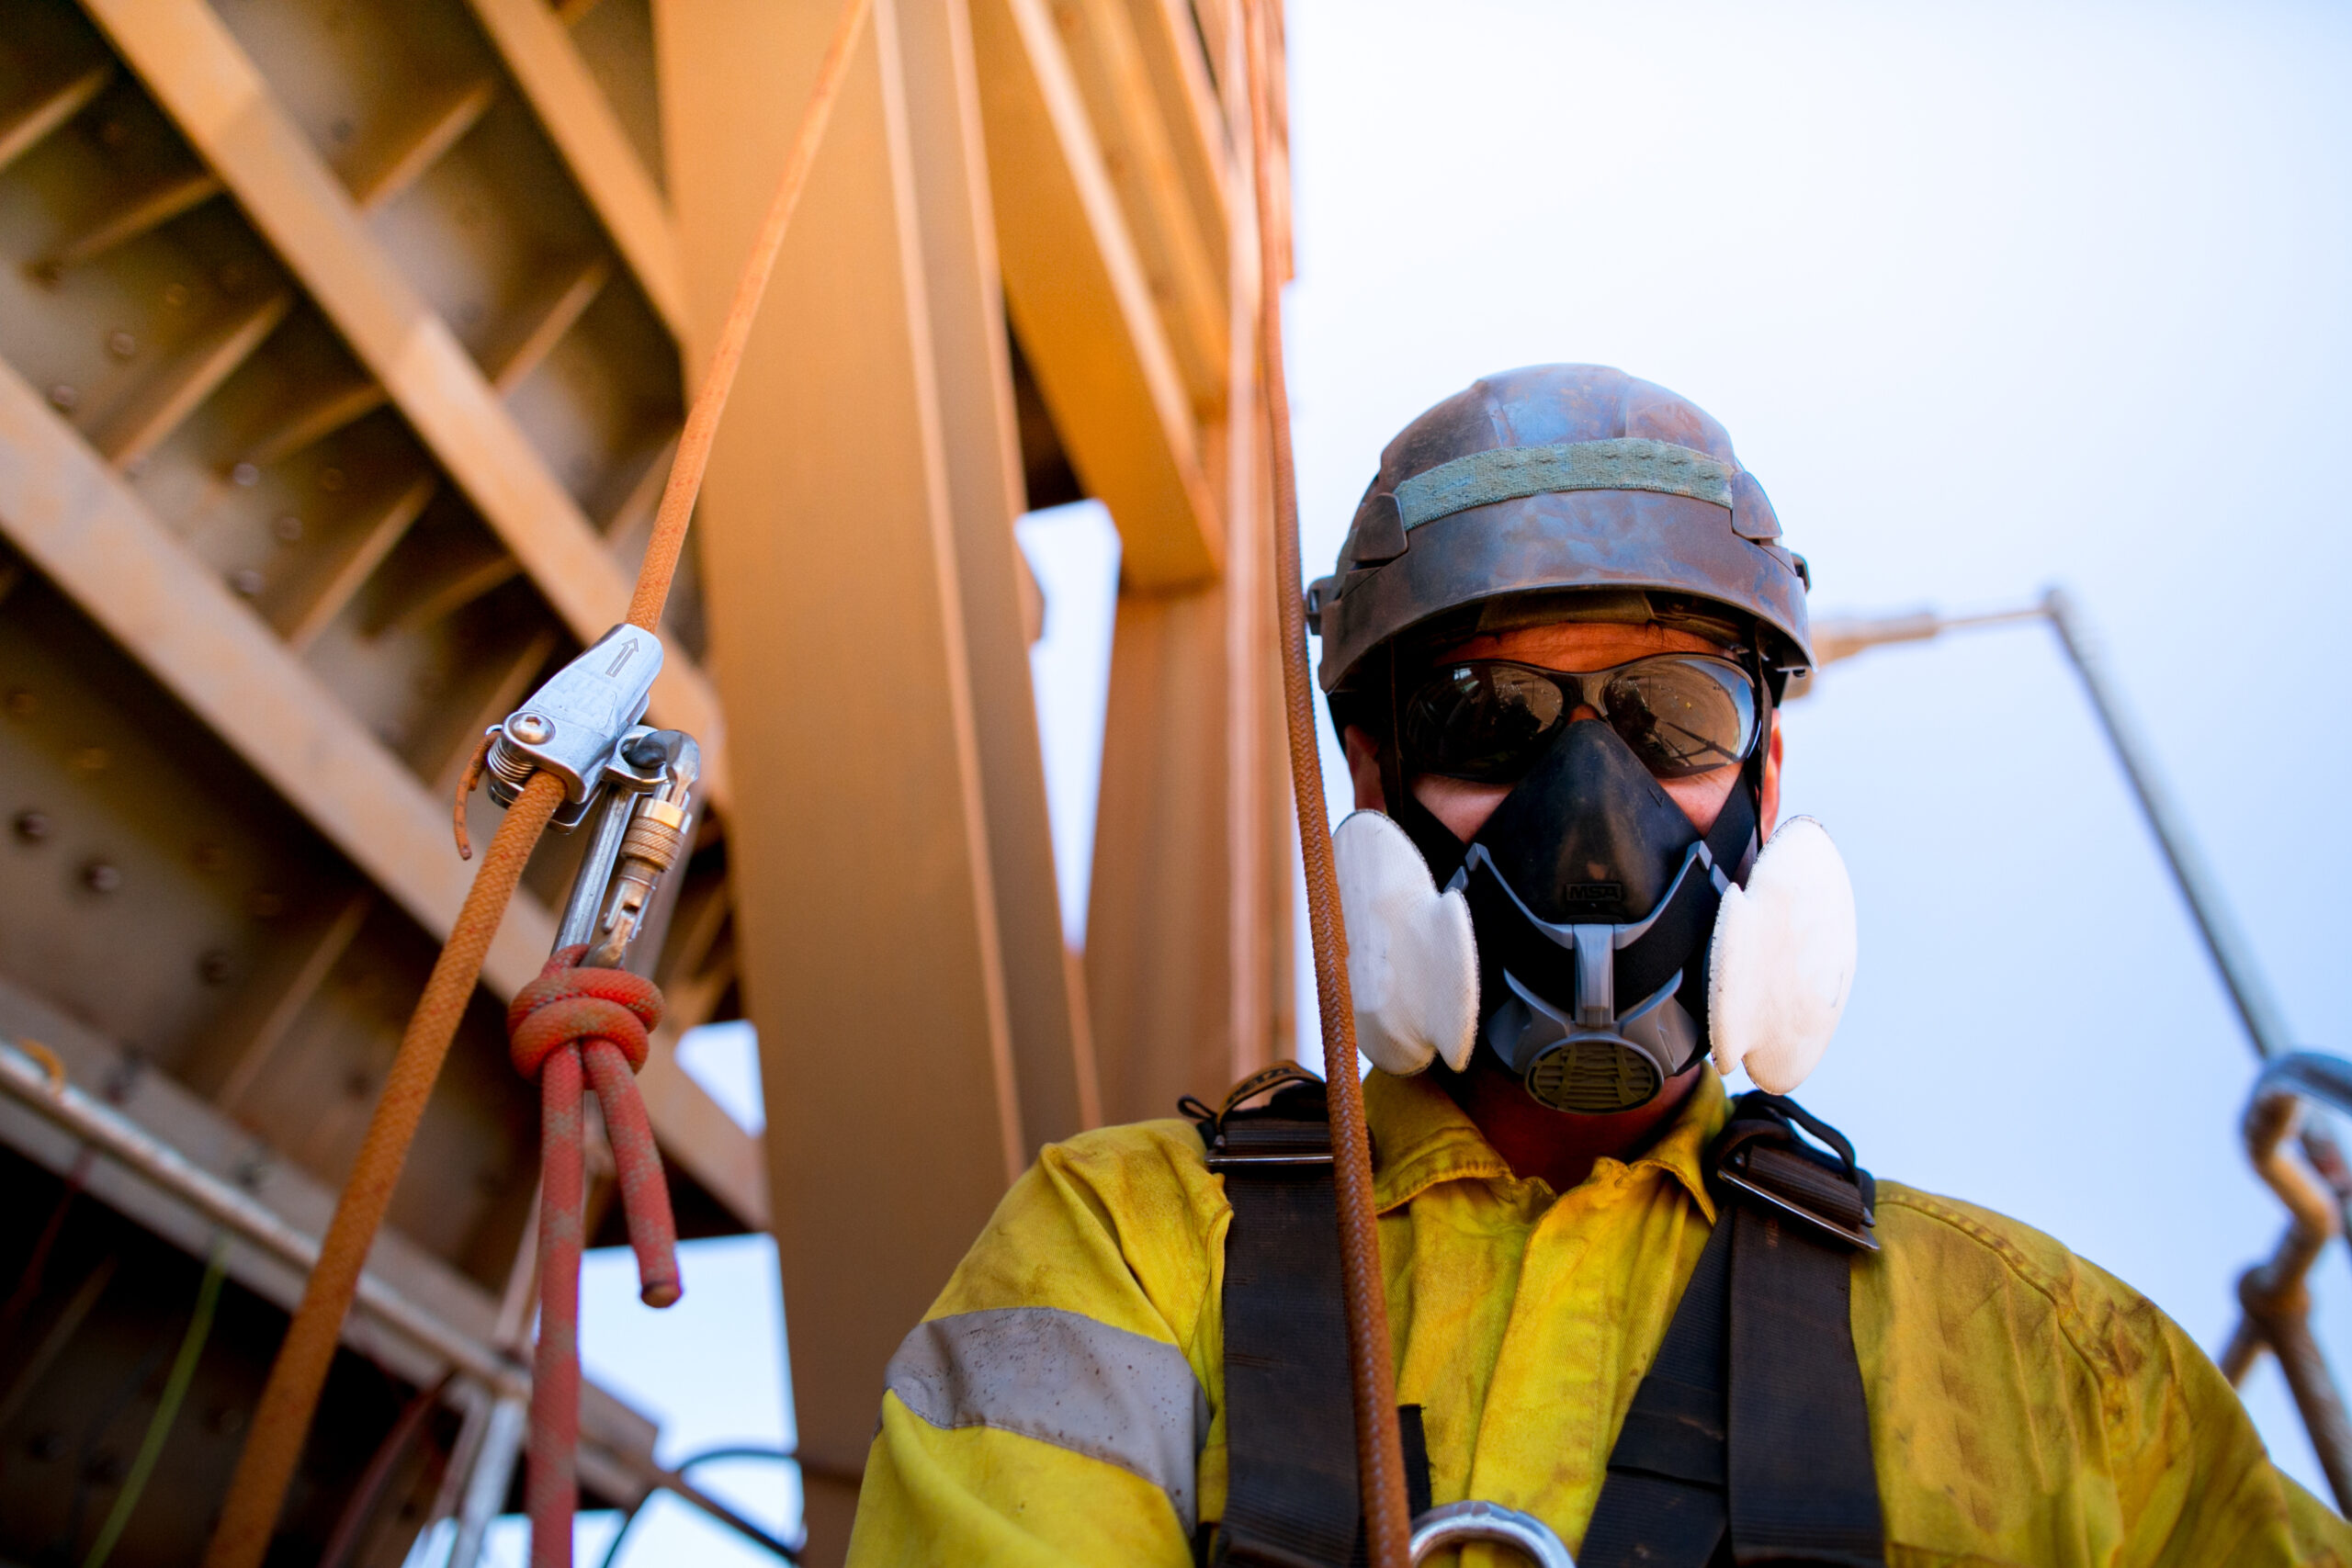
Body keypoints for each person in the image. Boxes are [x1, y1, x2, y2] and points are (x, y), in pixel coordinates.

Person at [842, 366, 2350, 1567]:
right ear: (1369, 787)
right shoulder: (1126, 1253)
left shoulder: (2057, 1370)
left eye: (1674, 720)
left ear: (1763, 787)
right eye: (1487, 720)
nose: (1592, 821)